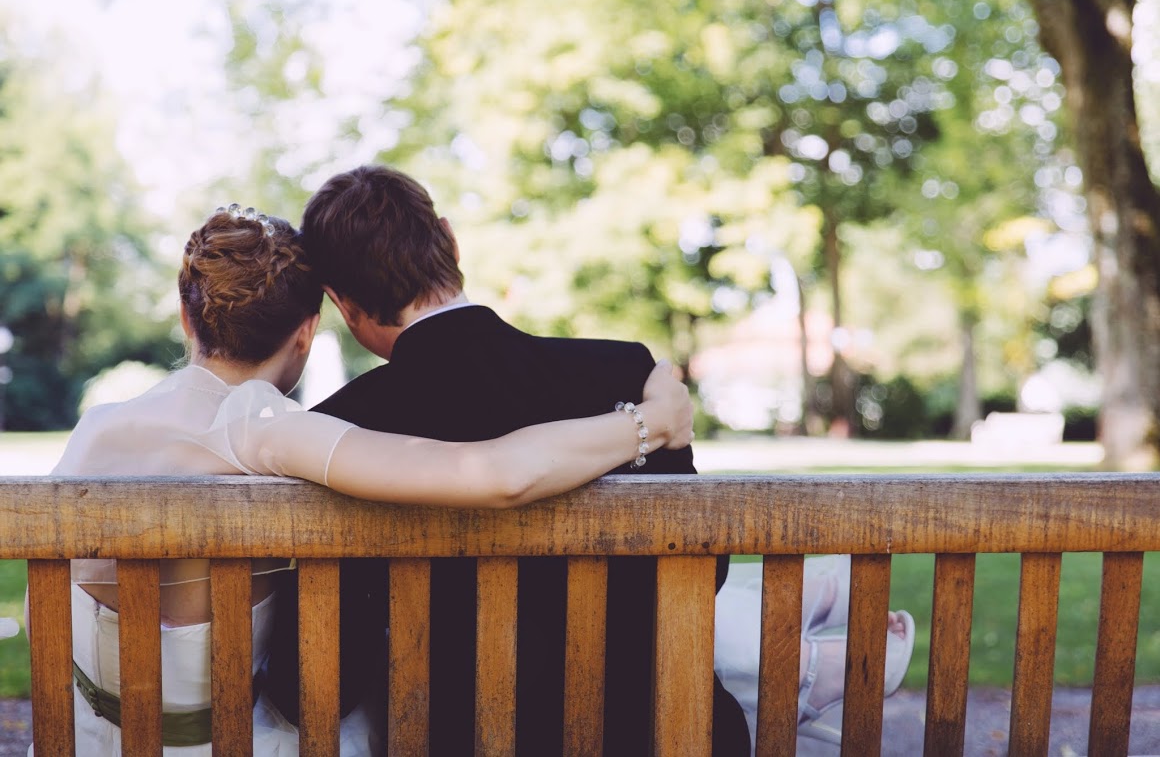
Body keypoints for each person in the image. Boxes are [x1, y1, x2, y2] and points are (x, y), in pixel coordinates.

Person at [286, 164, 914, 755]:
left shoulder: (340, 433)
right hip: (670, 737)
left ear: (343, 304)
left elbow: (315, 683)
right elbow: (705, 573)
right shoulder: (625, 372)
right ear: (450, 241)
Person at [36, 204, 695, 757]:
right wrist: (650, 423)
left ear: (188, 318)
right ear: (305, 334)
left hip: (86, 737)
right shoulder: (262, 427)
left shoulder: (98, 428)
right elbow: (498, 473)